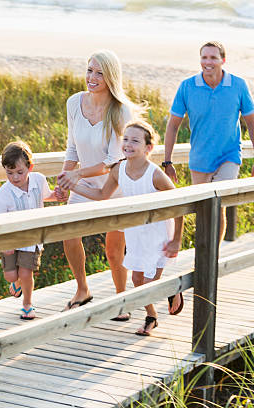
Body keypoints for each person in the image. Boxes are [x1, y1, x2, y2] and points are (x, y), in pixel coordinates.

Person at [67, 121, 184, 335]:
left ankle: (172, 288)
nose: (128, 144)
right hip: (135, 232)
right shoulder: (119, 169)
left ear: (148, 148)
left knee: (149, 281)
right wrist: (74, 185)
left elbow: (179, 205)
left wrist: (177, 239)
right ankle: (152, 316)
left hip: (158, 232)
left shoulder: (155, 175)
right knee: (137, 280)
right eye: (126, 139)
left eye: (135, 141)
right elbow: (102, 195)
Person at [56, 50, 141, 318]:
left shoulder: (121, 111)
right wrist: (63, 179)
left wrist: (77, 175)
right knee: (69, 234)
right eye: (89, 70)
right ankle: (82, 289)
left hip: (113, 188)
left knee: (114, 251)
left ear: (111, 77)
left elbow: (112, 160)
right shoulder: (73, 103)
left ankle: (120, 300)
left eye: (99, 73)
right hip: (81, 187)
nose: (91, 77)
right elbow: (72, 148)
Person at [163, 41, 254, 242]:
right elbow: (173, 126)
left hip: (229, 156)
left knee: (218, 204)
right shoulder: (187, 86)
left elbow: (252, 123)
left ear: (222, 60)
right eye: (204, 57)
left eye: (213, 57)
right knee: (203, 210)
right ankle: (203, 253)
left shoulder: (238, 85)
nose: (208, 62)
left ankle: (212, 257)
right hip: (200, 159)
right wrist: (168, 161)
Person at [0, 141, 62, 320]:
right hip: (11, 238)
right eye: (9, 173)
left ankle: (27, 305)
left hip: (31, 237)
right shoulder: (3, 194)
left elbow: (45, 196)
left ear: (30, 167)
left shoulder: (38, 180)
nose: (15, 177)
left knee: (26, 272)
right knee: (11, 276)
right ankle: (16, 283)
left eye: (19, 172)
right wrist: (4, 244)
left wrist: (56, 196)